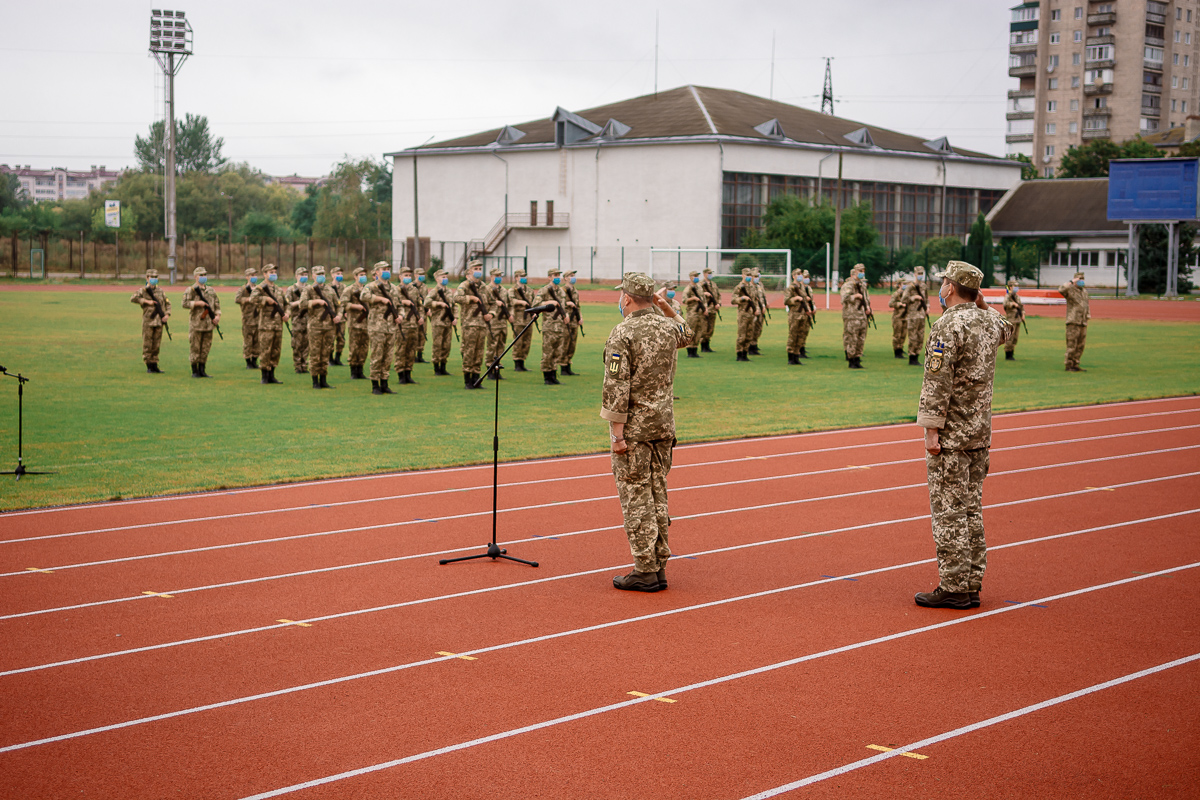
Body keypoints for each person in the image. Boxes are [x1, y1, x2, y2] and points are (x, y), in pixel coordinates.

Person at [915, 260, 1012, 610]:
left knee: (949, 512)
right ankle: (971, 581)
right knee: (971, 508)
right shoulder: (988, 322)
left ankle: (954, 585)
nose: (940, 286)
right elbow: (1008, 328)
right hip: (979, 433)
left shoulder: (946, 325)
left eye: (943, 281)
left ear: (951, 287)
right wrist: (983, 305)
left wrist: (930, 431)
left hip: (953, 435)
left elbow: (936, 384)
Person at [601, 273, 695, 592]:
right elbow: (689, 333)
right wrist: (667, 307)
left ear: (626, 298)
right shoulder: (668, 327)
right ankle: (659, 564)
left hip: (635, 430)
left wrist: (616, 436)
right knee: (657, 493)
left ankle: (645, 568)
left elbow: (616, 387)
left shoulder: (622, 332)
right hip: (663, 426)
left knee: (636, 496)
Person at [301, 265, 343, 389]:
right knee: (315, 354)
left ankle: (323, 380)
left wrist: (339, 316)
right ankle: (315, 381)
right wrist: (315, 302)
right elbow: (302, 304)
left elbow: (339, 304)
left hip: (329, 327)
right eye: (318, 274)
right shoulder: (308, 289)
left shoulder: (330, 290)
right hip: (315, 327)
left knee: (325, 354)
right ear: (313, 276)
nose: (321, 277)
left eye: (323, 274)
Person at [362, 261, 400, 394]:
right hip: (377, 327)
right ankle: (375, 385)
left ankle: (384, 383)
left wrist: (401, 316)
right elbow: (363, 296)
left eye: (388, 269)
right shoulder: (371, 286)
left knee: (388, 357)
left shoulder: (394, 288)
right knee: (377, 356)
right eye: (384, 269)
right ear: (377, 272)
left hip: (391, 327)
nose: (387, 271)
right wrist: (378, 299)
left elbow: (399, 305)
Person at [454, 259, 492, 389]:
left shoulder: (484, 287)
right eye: (475, 269)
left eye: (480, 269)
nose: (478, 271)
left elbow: (493, 303)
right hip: (469, 324)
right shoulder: (464, 285)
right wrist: (470, 298)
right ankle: (468, 381)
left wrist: (491, 314)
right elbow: (456, 298)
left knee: (479, 352)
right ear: (469, 272)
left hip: (482, 325)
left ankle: (477, 380)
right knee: (469, 352)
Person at [181, 266, 221, 378]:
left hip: (209, 325)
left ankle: (202, 370)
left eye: (204, 275)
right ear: (195, 277)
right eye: (201, 275)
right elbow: (184, 303)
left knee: (205, 348)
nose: (203, 277)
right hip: (196, 325)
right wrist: (197, 303)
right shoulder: (191, 290)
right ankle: (195, 371)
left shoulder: (211, 290)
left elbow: (217, 304)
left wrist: (217, 316)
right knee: (195, 348)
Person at [251, 263, 286, 384]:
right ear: (265, 274)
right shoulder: (260, 288)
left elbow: (286, 304)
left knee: (276, 351)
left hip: (278, 325)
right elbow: (252, 299)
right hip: (266, 326)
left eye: (275, 272)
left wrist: (287, 314)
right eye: (271, 272)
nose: (273, 274)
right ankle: (264, 376)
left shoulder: (279, 290)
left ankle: (272, 375)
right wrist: (265, 299)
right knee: (266, 351)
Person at [131, 268, 171, 373]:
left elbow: (167, 303)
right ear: (147, 278)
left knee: (156, 344)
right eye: (152, 277)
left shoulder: (160, 291)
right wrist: (146, 302)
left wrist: (167, 314)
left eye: (155, 277)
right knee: (148, 344)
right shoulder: (143, 291)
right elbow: (133, 298)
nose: (154, 279)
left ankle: (154, 364)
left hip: (159, 322)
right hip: (149, 321)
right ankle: (148, 365)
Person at [534, 267, 570, 384]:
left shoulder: (561, 291)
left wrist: (566, 315)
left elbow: (563, 307)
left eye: (558, 276)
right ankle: (547, 377)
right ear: (549, 277)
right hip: (549, 327)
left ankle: (554, 375)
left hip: (560, 327)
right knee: (547, 353)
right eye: (555, 276)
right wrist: (548, 302)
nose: (557, 278)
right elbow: (536, 304)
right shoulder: (544, 290)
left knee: (557, 352)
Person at [424, 268, 457, 376]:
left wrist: (455, 317)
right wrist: (438, 304)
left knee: (446, 345)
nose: (445, 279)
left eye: (446, 277)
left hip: (448, 322)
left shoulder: (449, 291)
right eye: (443, 277)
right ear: (437, 279)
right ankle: (436, 367)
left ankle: (443, 366)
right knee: (437, 345)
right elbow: (426, 302)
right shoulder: (434, 291)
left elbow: (454, 305)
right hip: (438, 322)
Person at [394, 266, 423, 385]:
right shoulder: (395, 290)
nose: (408, 277)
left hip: (413, 325)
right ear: (400, 276)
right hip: (403, 325)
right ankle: (401, 375)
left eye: (409, 275)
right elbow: (392, 304)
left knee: (411, 350)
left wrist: (421, 316)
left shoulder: (414, 290)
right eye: (405, 275)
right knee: (401, 350)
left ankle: (408, 373)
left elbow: (419, 305)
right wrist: (402, 302)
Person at [340, 267, 370, 379]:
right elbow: (343, 303)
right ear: (355, 276)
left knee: (364, 347)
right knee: (354, 347)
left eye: (364, 274)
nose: (363, 277)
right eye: (360, 274)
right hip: (355, 323)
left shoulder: (368, 289)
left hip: (367, 323)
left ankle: (360, 370)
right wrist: (354, 306)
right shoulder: (349, 290)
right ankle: (353, 370)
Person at [1058, 271, 1090, 372]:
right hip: (1073, 321)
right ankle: (1069, 365)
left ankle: (1076, 364)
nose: (1082, 281)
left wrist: (1088, 315)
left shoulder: (1084, 291)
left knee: (1080, 345)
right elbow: (1061, 289)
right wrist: (1071, 282)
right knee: (1072, 344)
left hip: (1083, 321)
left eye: (1083, 279)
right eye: (1079, 279)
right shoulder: (1070, 289)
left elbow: (1086, 304)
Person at [840, 263, 870, 369]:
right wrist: (854, 296)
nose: (862, 273)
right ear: (855, 272)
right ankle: (851, 360)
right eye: (860, 271)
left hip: (862, 316)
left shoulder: (862, 285)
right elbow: (844, 298)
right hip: (852, 316)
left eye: (863, 271)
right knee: (852, 338)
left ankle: (857, 359)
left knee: (861, 338)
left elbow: (866, 298)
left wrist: (868, 308)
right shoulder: (848, 285)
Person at [483, 267, 511, 380]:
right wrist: (495, 302)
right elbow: (484, 304)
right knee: (492, 346)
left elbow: (508, 304)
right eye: (496, 276)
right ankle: (489, 369)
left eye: (500, 276)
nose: (499, 278)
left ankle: (497, 369)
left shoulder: (504, 291)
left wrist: (510, 315)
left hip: (502, 323)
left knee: (501, 346)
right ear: (491, 276)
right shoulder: (486, 289)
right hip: (492, 323)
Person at [903, 266, 930, 366]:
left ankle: (917, 356)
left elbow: (926, 299)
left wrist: (928, 307)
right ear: (914, 274)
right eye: (918, 274)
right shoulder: (910, 287)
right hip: (913, 315)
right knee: (913, 337)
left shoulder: (924, 286)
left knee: (920, 337)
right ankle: (912, 357)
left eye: (921, 274)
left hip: (921, 315)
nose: (920, 276)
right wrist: (913, 298)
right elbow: (903, 299)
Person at [284, 267, 310, 373]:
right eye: (301, 275)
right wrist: (299, 302)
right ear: (296, 276)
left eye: (305, 274)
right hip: (297, 320)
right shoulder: (291, 289)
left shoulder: (310, 288)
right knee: (297, 344)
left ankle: (304, 364)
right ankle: (298, 365)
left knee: (307, 344)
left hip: (308, 320)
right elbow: (287, 304)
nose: (304, 277)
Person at [509, 269, 535, 371]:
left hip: (528, 318)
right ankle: (517, 362)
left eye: (525, 276)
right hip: (518, 318)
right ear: (516, 278)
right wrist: (521, 302)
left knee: (527, 341)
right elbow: (511, 300)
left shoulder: (530, 290)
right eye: (521, 276)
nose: (524, 278)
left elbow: (533, 302)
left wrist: (534, 312)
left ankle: (523, 361)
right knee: (518, 341)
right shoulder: (512, 290)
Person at [234, 267, 260, 369]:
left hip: (258, 318)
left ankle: (254, 360)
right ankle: (248, 361)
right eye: (252, 275)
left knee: (257, 341)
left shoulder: (258, 288)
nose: (254, 277)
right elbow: (237, 299)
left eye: (255, 275)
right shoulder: (243, 289)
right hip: (248, 319)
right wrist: (249, 299)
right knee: (248, 341)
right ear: (247, 277)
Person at [732, 268, 758, 361]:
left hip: (751, 314)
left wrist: (756, 309)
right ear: (743, 275)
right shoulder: (739, 287)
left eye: (750, 275)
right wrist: (742, 298)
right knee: (742, 335)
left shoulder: (752, 287)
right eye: (747, 275)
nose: (749, 277)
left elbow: (755, 299)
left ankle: (745, 353)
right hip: (743, 314)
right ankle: (739, 354)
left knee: (749, 335)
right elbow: (733, 300)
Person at [784, 268, 809, 365]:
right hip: (794, 315)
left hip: (803, 314)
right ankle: (791, 357)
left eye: (801, 274)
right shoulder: (790, 288)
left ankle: (797, 356)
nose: (800, 276)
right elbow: (786, 301)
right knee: (793, 336)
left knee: (800, 336)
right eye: (798, 274)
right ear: (793, 276)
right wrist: (795, 299)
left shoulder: (802, 287)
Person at [561, 269, 582, 375]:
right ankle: (563, 366)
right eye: (571, 275)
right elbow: (560, 304)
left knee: (572, 344)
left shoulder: (575, 290)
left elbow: (578, 306)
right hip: (566, 321)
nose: (573, 277)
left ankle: (568, 364)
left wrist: (580, 317)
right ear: (565, 278)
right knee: (565, 343)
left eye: (574, 275)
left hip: (574, 320)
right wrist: (567, 303)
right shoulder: (562, 291)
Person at [682, 270, 707, 358]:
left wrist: (705, 308)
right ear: (690, 277)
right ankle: (690, 350)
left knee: (699, 331)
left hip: (700, 313)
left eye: (697, 276)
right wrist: (692, 298)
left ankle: (695, 349)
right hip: (692, 313)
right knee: (691, 331)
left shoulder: (699, 287)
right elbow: (684, 300)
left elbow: (703, 299)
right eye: (694, 276)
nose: (696, 277)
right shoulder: (688, 288)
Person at [699, 266, 721, 352]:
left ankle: (707, 345)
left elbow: (718, 295)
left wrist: (718, 303)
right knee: (704, 328)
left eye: (711, 273)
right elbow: (698, 294)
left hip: (713, 309)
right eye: (709, 273)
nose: (710, 275)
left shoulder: (713, 284)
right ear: (704, 274)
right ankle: (703, 345)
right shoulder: (700, 284)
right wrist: (704, 293)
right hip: (705, 309)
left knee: (711, 328)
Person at [1003, 278, 1025, 361]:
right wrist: (1013, 304)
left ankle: (1012, 352)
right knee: (1010, 337)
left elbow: (1021, 306)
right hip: (1011, 319)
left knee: (1015, 338)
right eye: (1015, 286)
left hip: (1017, 319)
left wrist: (1023, 314)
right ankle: (1008, 354)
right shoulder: (1008, 296)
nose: (1016, 288)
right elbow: (1005, 304)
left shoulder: (1017, 297)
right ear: (1010, 287)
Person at [330, 266, 346, 366]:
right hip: (331, 317)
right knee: (331, 338)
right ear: (332, 275)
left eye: (341, 273)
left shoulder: (344, 287)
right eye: (337, 273)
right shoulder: (328, 287)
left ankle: (337, 358)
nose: (339, 275)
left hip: (342, 317)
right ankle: (330, 359)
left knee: (341, 338)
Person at [888, 277, 908, 359]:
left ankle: (901, 348)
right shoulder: (896, 294)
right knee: (897, 335)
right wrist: (899, 304)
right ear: (899, 285)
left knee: (903, 334)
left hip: (905, 316)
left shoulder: (906, 294)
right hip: (898, 317)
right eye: (904, 284)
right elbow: (890, 304)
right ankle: (897, 351)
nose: (905, 286)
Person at [414, 270, 429, 364]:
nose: (422, 276)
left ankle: (420, 355)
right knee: (414, 334)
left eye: (423, 274)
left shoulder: (424, 287)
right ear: (415, 275)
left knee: (422, 334)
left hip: (423, 313)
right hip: (414, 314)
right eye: (420, 274)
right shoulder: (411, 286)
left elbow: (426, 300)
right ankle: (413, 355)